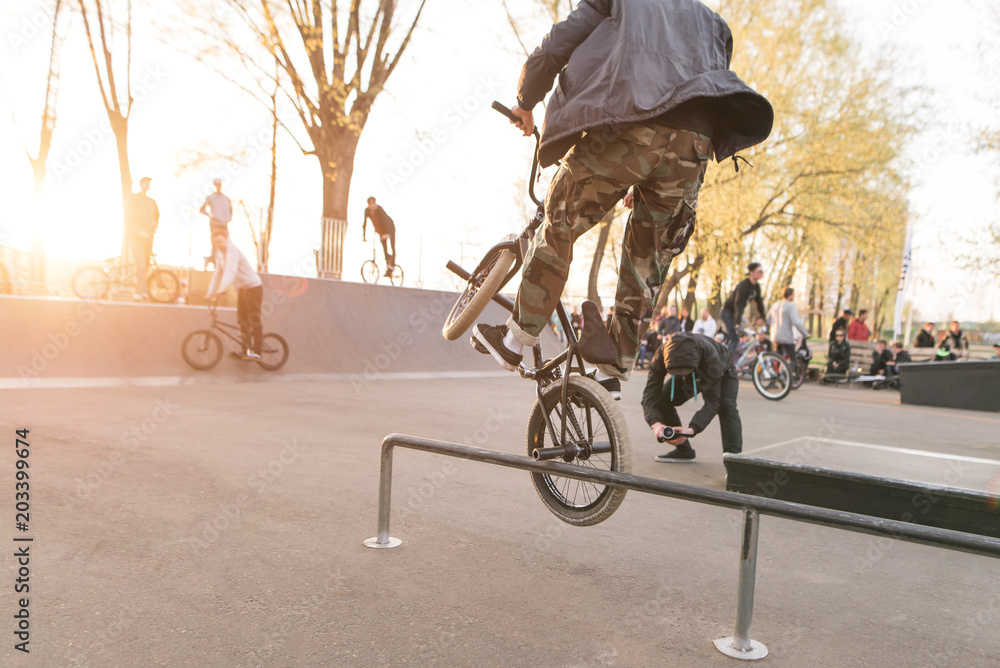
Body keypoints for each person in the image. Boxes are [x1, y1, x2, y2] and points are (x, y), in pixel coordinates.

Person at [471, 0, 773, 397]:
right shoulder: (711, 22)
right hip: (693, 147)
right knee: (648, 260)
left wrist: (525, 102)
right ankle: (612, 371)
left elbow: (558, 43)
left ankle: (514, 342)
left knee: (560, 218)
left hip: (634, 124)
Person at [641, 332, 743, 462]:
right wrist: (655, 423)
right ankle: (683, 451)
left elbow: (712, 402)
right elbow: (650, 395)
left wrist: (692, 429)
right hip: (691, 369)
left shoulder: (712, 359)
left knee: (726, 406)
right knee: (663, 401)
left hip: (722, 370)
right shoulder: (660, 356)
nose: (682, 376)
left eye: (684, 372)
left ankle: (734, 463)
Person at [205, 230, 264, 360]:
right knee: (242, 320)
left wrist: (222, 288)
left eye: (220, 241)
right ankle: (245, 350)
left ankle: (257, 352)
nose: (218, 244)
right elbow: (217, 274)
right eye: (216, 242)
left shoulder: (232, 251)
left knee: (253, 319)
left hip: (253, 287)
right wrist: (210, 292)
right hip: (242, 290)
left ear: (226, 239)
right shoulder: (220, 255)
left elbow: (230, 270)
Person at [720, 263, 766, 357]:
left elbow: (759, 303)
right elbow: (738, 304)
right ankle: (727, 364)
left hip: (734, 313)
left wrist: (762, 317)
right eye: (759, 271)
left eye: (762, 271)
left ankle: (727, 356)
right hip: (727, 311)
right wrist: (737, 323)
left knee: (736, 337)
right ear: (751, 272)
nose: (762, 273)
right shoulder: (743, 285)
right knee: (735, 338)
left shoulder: (756, 287)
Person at [125, 176, 159, 300]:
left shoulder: (152, 201)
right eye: (145, 183)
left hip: (149, 239)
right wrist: (138, 231)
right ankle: (142, 293)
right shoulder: (133, 199)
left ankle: (139, 289)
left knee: (145, 266)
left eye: (149, 183)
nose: (147, 185)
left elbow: (157, 216)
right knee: (140, 266)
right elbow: (128, 218)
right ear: (141, 184)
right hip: (136, 238)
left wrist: (154, 227)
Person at [767, 287, 809, 361]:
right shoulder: (790, 306)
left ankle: (778, 372)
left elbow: (768, 319)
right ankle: (785, 372)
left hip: (774, 337)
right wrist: (805, 334)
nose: (794, 296)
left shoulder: (775, 305)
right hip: (786, 338)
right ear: (790, 295)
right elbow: (796, 322)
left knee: (778, 359)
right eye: (793, 294)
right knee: (792, 359)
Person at [363, 196, 396, 276]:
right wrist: (364, 236)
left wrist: (387, 233)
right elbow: (365, 223)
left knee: (392, 247)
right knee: (385, 250)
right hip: (381, 232)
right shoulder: (367, 211)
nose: (373, 205)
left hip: (390, 229)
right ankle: (388, 266)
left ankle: (392, 265)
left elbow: (386, 221)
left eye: (374, 203)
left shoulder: (379, 209)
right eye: (371, 204)